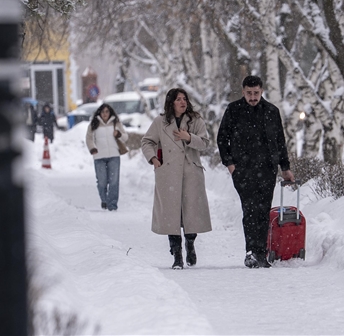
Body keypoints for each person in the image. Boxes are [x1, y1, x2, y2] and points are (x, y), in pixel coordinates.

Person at [217, 75, 294, 269]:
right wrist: (230, 165)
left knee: (262, 211)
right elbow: (222, 138)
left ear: (262, 91)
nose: (253, 97)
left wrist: (285, 168)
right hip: (243, 170)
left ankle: (261, 252)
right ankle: (250, 251)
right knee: (249, 209)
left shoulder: (271, 111)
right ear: (243, 91)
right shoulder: (234, 110)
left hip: (267, 169)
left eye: (256, 93)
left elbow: (279, 141)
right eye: (249, 93)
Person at [141, 88, 212, 269]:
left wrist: (189, 137)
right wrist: (154, 159)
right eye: (178, 99)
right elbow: (147, 141)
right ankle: (177, 255)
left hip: (191, 172)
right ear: (171, 102)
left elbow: (205, 143)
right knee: (171, 216)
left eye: (184, 99)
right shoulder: (160, 122)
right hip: (168, 174)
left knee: (191, 212)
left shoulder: (196, 120)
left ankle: (190, 243)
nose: (182, 102)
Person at [85, 104, 128, 211]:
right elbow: (89, 138)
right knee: (102, 182)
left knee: (114, 181)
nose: (105, 114)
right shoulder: (93, 124)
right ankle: (104, 200)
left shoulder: (116, 123)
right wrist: (92, 148)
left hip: (114, 156)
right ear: (99, 113)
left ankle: (112, 205)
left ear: (110, 113)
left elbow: (125, 137)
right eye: (103, 112)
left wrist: (118, 134)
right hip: (99, 156)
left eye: (107, 112)